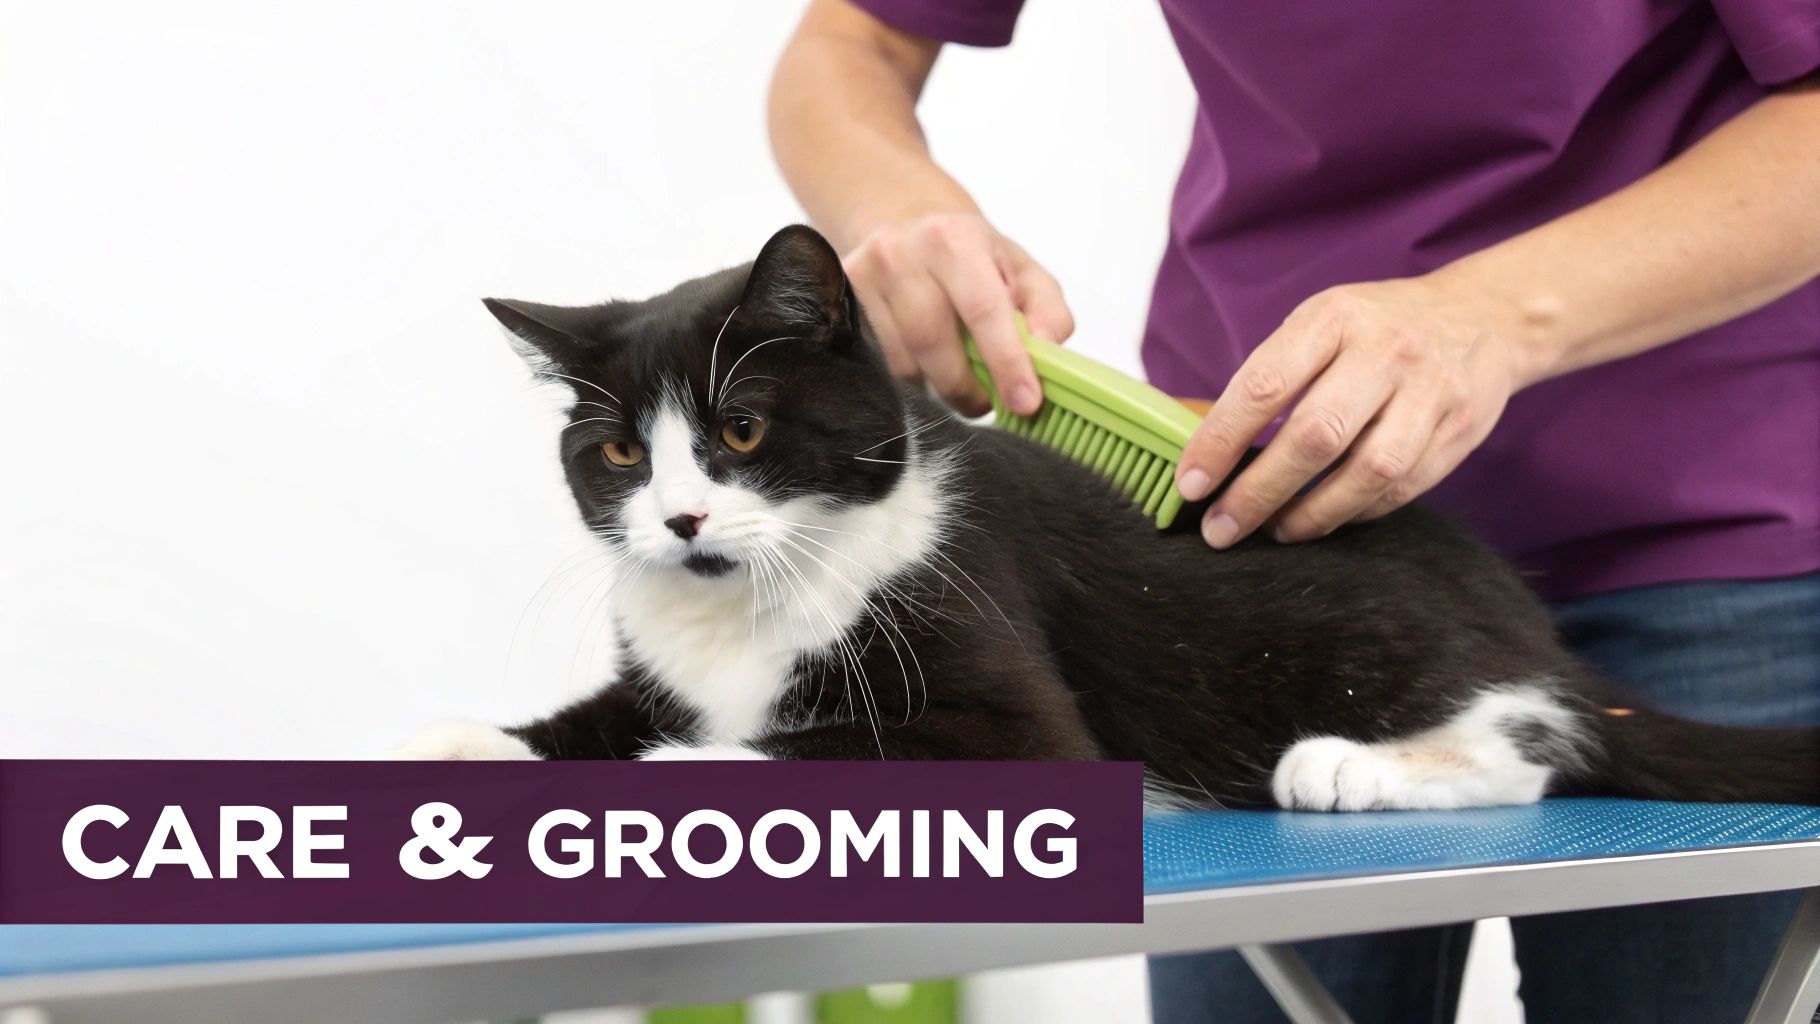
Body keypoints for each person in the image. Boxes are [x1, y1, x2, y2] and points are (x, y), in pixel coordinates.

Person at [767, 1, 1820, 1021]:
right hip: (1249, 573)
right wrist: (891, 208)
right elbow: (850, 37)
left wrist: (1491, 316)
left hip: (1694, 529)